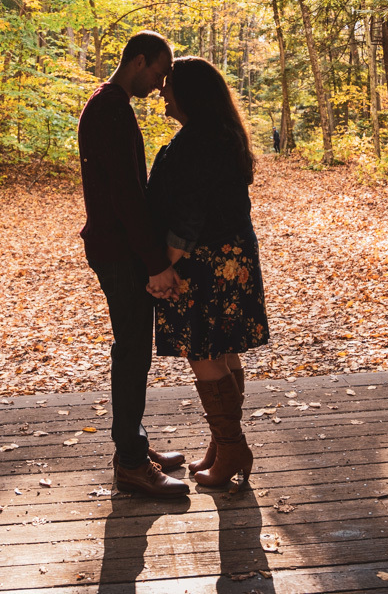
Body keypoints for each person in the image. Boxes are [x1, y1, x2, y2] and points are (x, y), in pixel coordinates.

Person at [147, 56, 270, 487]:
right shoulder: (223, 135)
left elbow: (188, 219)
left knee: (203, 352)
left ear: (189, 94)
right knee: (224, 348)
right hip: (233, 259)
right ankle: (224, 444)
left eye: (169, 85)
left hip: (204, 264)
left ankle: (232, 448)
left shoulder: (194, 144)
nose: (162, 91)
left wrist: (162, 268)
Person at [77, 30, 189, 498]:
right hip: (119, 251)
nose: (161, 85)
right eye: (159, 73)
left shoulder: (107, 104)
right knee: (132, 353)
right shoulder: (111, 109)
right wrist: (155, 263)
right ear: (139, 61)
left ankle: (134, 445)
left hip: (117, 247)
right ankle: (130, 463)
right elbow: (126, 195)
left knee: (133, 351)